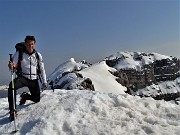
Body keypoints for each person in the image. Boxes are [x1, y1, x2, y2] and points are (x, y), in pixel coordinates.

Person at [8, 35, 48, 121]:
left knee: (37, 99)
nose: (30, 46)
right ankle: (12, 110)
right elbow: (13, 66)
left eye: (32, 44)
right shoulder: (19, 53)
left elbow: (42, 69)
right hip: (23, 78)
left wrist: (45, 82)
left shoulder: (38, 55)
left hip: (34, 79)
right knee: (12, 86)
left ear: (35, 44)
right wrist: (11, 66)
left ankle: (25, 96)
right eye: (28, 44)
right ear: (25, 44)